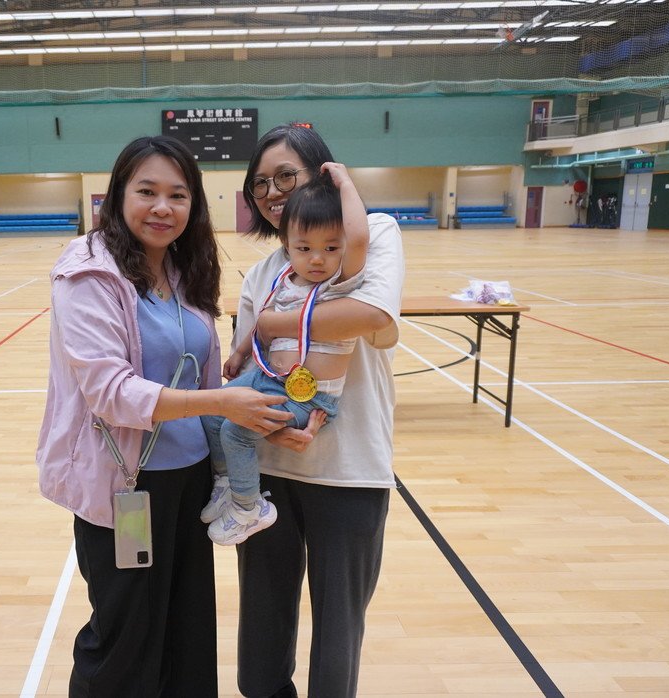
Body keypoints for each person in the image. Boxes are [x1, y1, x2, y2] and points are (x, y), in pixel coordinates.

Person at [36, 134, 292, 697]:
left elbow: (201, 368)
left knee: (187, 631)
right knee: (125, 637)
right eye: (146, 191)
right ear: (117, 196)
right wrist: (221, 402)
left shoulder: (183, 268)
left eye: (178, 195)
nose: (162, 207)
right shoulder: (89, 274)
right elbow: (111, 393)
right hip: (127, 484)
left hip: (190, 478)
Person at [233, 124, 406, 698]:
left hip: (350, 471)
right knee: (261, 636)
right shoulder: (264, 271)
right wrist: (266, 425)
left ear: (322, 174)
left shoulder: (370, 236)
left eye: (286, 175)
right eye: (260, 183)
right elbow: (251, 368)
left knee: (338, 636)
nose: (273, 192)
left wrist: (272, 322)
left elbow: (372, 315)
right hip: (271, 469)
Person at [200, 169, 369, 546]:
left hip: (306, 397)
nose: (318, 259)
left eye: (331, 248)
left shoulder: (338, 284)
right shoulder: (283, 280)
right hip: (268, 379)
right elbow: (264, 323)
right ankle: (228, 483)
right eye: (305, 248)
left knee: (235, 431)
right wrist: (240, 352)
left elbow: (358, 236)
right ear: (287, 245)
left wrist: (346, 184)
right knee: (213, 409)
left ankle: (249, 508)